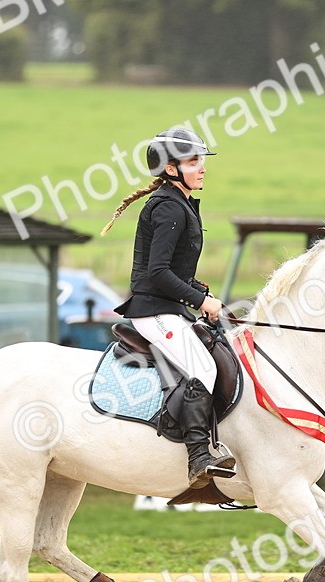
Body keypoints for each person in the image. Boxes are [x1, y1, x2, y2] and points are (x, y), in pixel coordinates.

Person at [101, 127, 236, 488]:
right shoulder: (168, 208)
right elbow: (158, 273)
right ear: (172, 169)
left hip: (168, 308)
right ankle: (198, 457)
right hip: (153, 311)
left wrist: (200, 293)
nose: (202, 168)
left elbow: (173, 272)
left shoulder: (179, 204)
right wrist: (199, 300)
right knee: (203, 368)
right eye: (194, 162)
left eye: (201, 161)